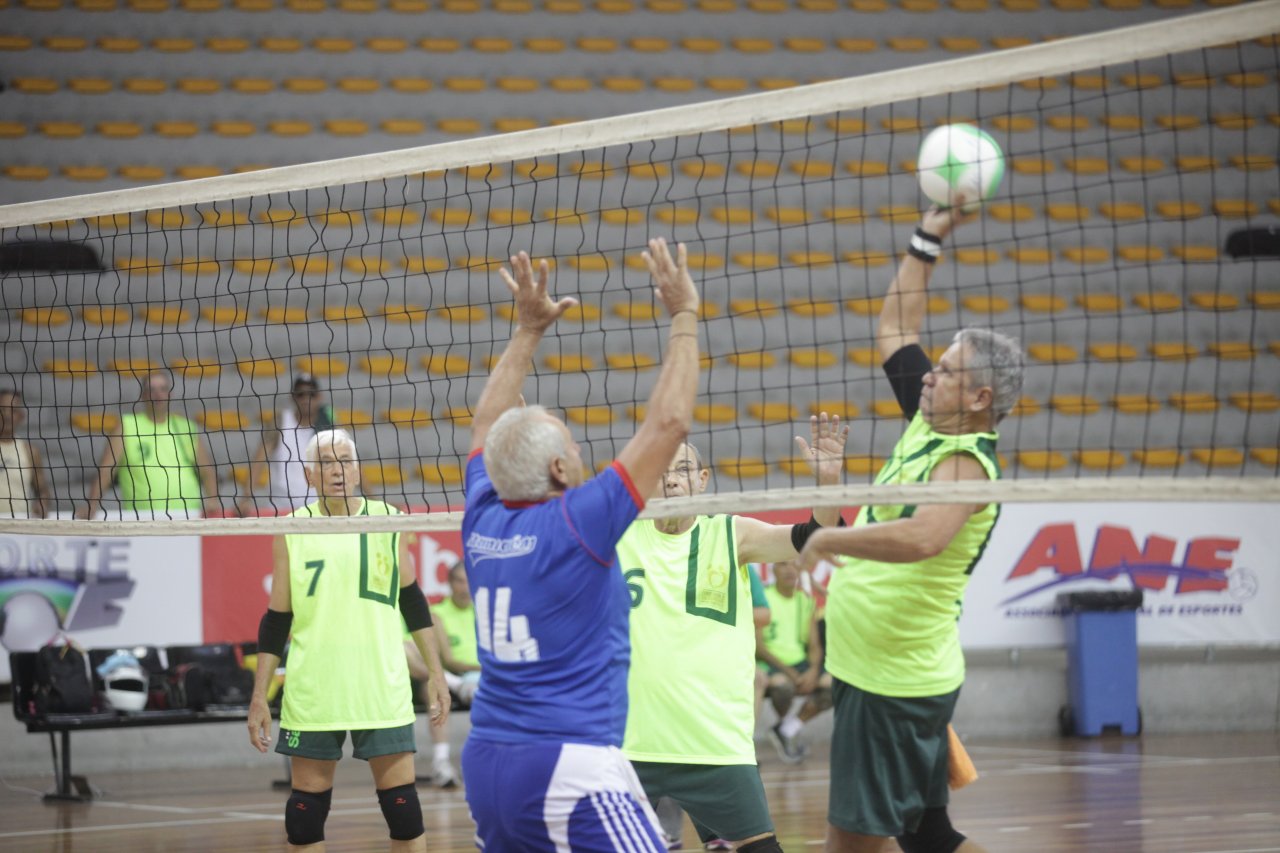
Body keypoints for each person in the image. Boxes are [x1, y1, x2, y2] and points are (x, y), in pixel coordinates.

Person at [796, 203, 1024, 853]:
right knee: (930, 839)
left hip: (892, 682)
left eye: (948, 370)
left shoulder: (968, 465)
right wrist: (929, 238)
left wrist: (828, 537)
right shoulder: (930, 417)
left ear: (980, 398)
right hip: (881, 668)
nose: (930, 373)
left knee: (854, 844)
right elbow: (896, 322)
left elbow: (924, 537)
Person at [460, 240, 700, 851]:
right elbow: (668, 426)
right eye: (573, 447)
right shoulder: (577, 524)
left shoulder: (482, 516)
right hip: (571, 768)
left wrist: (527, 332)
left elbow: (487, 427)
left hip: (487, 762)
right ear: (562, 471)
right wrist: (683, 315)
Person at [617, 418, 847, 853]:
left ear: (703, 480)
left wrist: (829, 482)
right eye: (661, 470)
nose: (671, 480)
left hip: (715, 746)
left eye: (683, 469)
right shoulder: (617, 536)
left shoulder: (731, 533)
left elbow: (814, 537)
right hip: (627, 745)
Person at [246, 428, 451, 852]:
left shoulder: (391, 520)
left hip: (380, 685)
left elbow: (413, 601)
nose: (337, 471)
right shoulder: (290, 529)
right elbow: (276, 618)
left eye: (345, 461)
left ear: (358, 470)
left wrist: (435, 674)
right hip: (314, 688)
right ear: (309, 475)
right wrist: (259, 696)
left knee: (404, 811)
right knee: (304, 818)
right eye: (326, 463)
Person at [79, 371, 219, 519]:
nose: (158, 394)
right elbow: (106, 470)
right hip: (143, 518)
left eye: (163, 389)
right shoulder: (127, 426)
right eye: (151, 390)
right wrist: (92, 504)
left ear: (170, 395)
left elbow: (207, 470)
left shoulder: (186, 427)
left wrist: (213, 500)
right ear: (143, 395)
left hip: (187, 516)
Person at [756, 560, 832, 765]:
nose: (789, 570)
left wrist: (814, 670)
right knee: (783, 687)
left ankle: (788, 729)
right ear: (772, 570)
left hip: (799, 663)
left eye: (794, 565)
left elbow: (815, 645)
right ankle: (783, 727)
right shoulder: (763, 597)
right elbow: (759, 647)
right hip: (771, 664)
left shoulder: (804, 600)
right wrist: (789, 672)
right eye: (783, 564)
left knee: (833, 685)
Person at [239, 375, 334, 516]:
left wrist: (373, 499)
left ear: (319, 397)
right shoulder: (280, 422)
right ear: (293, 397)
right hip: (281, 511)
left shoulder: (327, 427)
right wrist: (246, 498)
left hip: (317, 513)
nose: (306, 399)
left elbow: (350, 462)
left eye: (311, 394)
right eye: (301, 394)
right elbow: (258, 461)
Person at [425, 560, 481, 789]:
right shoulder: (437, 613)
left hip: (488, 676)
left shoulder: (481, 610)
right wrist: (484, 669)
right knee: (438, 693)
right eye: (459, 581)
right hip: (463, 677)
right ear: (449, 583)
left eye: (469, 581)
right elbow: (448, 659)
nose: (465, 587)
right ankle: (441, 764)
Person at [0, 389, 50, 518]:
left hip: (19, 528)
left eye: (13, 410)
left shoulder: (30, 451)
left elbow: (42, 490)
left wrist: (42, 502)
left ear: (21, 416)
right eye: (2, 409)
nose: (6, 415)